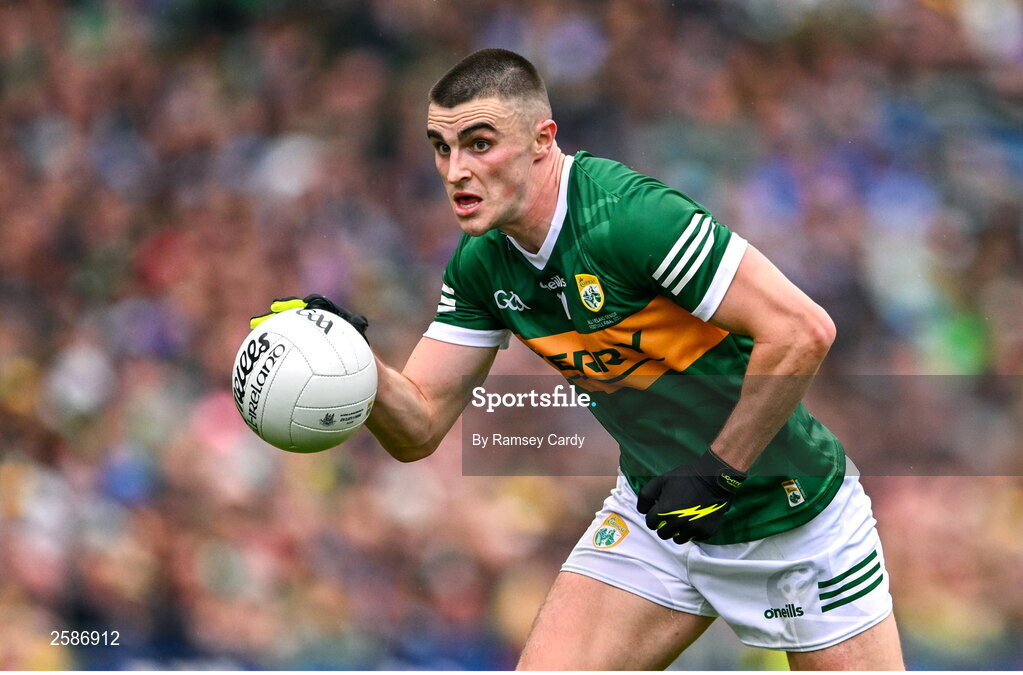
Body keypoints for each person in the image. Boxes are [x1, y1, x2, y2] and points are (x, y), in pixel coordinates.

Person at [252, 48, 903, 670]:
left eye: (479, 144)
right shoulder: (481, 264)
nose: (454, 171)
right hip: (658, 519)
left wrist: (717, 469)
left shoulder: (629, 219)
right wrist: (352, 361)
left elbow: (802, 331)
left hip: (794, 522)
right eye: (441, 148)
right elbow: (417, 425)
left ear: (542, 139)